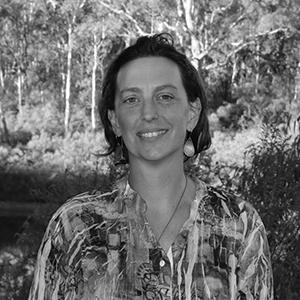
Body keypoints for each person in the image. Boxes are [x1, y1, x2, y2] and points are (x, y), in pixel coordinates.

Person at [29, 33, 273, 299]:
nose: (148, 113)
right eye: (131, 99)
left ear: (192, 113)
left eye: (165, 96)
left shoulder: (239, 225)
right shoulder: (74, 226)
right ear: (115, 121)